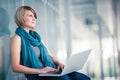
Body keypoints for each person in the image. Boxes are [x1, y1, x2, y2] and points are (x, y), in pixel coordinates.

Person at [10, 6, 91, 80]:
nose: (34, 19)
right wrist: (41, 71)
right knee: (65, 79)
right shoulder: (17, 38)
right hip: (37, 75)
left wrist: (60, 64)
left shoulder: (37, 37)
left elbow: (50, 56)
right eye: (30, 16)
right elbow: (15, 67)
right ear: (22, 18)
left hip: (51, 70)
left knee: (84, 78)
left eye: (35, 16)